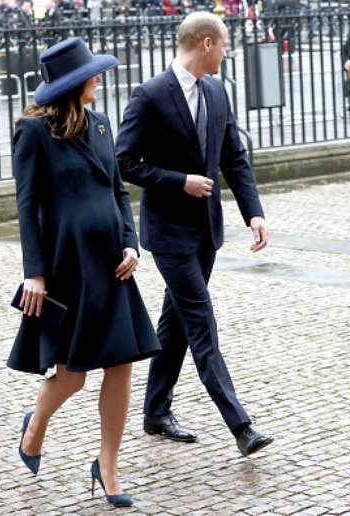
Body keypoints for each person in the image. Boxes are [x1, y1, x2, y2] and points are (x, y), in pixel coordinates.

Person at [9, 38, 160, 508]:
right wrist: (35, 274)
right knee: (72, 375)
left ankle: (108, 465)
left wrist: (131, 243)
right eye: (92, 74)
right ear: (74, 84)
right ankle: (35, 426)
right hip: (66, 267)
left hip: (112, 266)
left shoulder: (100, 125)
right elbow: (26, 205)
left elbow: (118, 192)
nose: (99, 79)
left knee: (122, 363)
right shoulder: (34, 133)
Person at [115, 12, 274, 457]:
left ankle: (155, 410)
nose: (228, 52)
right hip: (168, 235)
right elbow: (124, 162)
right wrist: (177, 180)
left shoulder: (218, 90)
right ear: (205, 43)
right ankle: (241, 425)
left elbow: (234, 159)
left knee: (178, 322)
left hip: (207, 232)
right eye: (225, 44)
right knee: (201, 321)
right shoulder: (149, 95)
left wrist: (253, 213)